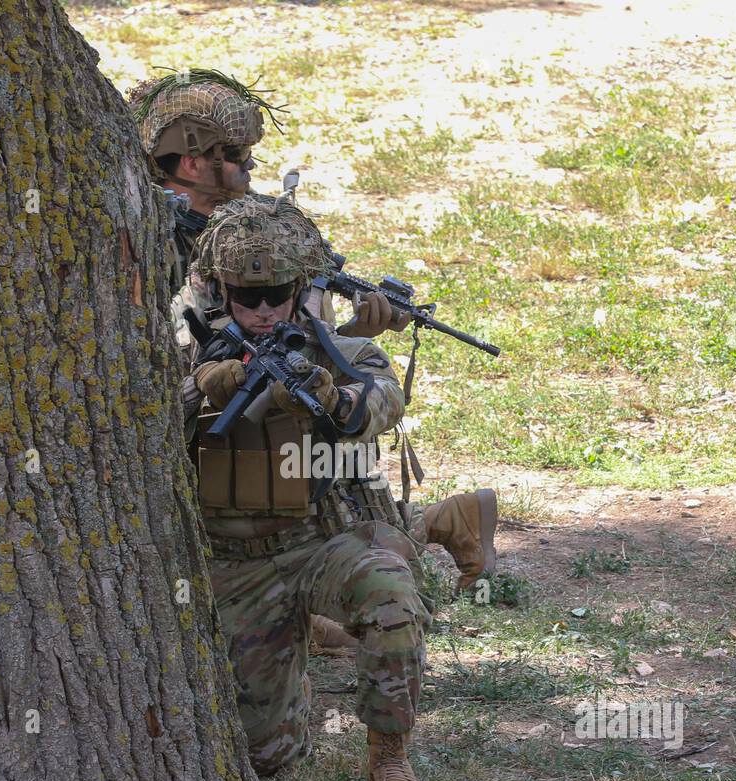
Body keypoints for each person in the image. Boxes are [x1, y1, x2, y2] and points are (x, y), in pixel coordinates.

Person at [129, 70, 498, 637]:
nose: (250, 167)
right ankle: (440, 523)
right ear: (189, 162)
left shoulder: (264, 228)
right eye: (235, 155)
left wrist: (351, 330)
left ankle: (426, 530)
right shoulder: (146, 232)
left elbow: (307, 335)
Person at [185, 194, 430, 781]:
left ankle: (390, 763)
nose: (264, 311)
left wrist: (331, 397)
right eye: (248, 295)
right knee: (268, 755)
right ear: (219, 290)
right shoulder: (184, 347)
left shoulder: (337, 353)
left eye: (279, 295)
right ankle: (303, 651)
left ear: (302, 290)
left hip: (319, 545)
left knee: (391, 599)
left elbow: (381, 404)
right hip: (230, 567)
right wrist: (196, 390)